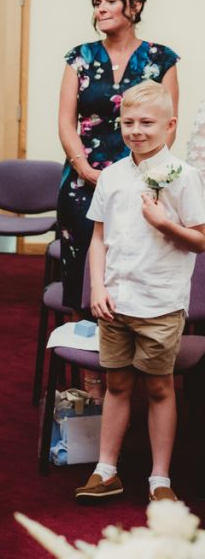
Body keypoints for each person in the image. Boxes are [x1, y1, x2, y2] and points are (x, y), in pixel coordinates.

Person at [76, 80, 205, 504]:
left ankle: (160, 479)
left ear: (169, 126)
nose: (136, 130)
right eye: (128, 122)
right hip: (115, 300)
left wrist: (164, 223)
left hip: (160, 302)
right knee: (116, 383)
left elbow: (200, 240)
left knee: (158, 388)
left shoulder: (185, 178)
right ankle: (105, 468)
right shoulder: (111, 175)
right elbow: (99, 238)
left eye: (146, 122)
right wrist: (97, 287)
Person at [56, 0, 179, 309]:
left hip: (140, 179)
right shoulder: (78, 57)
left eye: (111, 1)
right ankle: (80, 347)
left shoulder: (161, 58)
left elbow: (168, 126)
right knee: (82, 268)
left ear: (135, 6)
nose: (101, 9)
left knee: (134, 261)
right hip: (84, 179)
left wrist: (139, 173)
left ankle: (128, 346)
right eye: (97, 3)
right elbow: (66, 122)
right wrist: (83, 169)